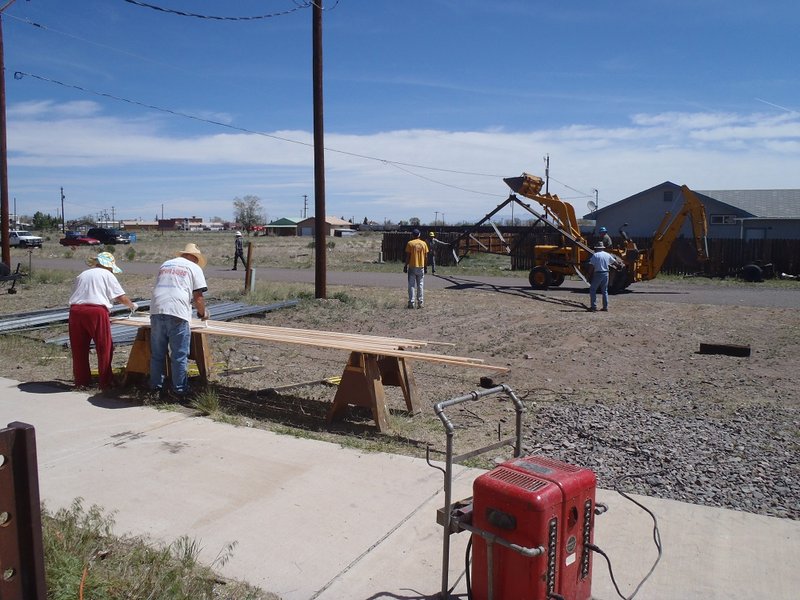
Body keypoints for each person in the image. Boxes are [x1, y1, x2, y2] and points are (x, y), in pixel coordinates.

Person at [68, 252, 137, 390]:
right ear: (109, 266)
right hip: (96, 311)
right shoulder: (107, 275)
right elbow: (120, 297)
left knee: (79, 347)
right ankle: (105, 381)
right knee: (104, 346)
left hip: (75, 311)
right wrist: (132, 305)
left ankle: (81, 381)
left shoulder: (82, 274)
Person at [149, 243, 210, 400]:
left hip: (156, 309)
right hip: (177, 312)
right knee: (179, 355)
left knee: (157, 353)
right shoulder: (194, 268)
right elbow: (198, 296)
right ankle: (179, 391)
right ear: (195, 258)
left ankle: (156, 388)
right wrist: (203, 313)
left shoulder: (166, 264)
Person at [588, 242, 623, 312]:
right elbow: (614, 262)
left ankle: (593, 306)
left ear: (597, 248)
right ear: (603, 248)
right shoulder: (607, 255)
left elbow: (591, 265)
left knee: (593, 290)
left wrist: (588, 274)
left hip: (598, 273)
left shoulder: (595, 255)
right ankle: (605, 307)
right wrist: (619, 266)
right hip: (606, 273)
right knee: (604, 291)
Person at [403, 229, 428, 309]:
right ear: (419, 235)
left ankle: (411, 303)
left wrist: (405, 265)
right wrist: (425, 266)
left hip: (412, 266)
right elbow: (426, 257)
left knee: (411, 285)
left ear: (412, 235)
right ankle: (420, 302)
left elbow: (408, 256)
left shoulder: (410, 243)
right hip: (421, 266)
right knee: (420, 284)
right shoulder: (424, 244)